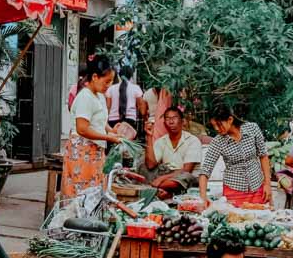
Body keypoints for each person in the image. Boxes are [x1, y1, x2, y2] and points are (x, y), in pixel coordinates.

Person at [63, 55, 130, 197]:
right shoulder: (85, 97)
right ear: (94, 77)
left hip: (95, 150)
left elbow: (98, 120)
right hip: (83, 151)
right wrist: (108, 137)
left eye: (111, 82)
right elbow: (82, 128)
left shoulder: (99, 95)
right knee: (82, 194)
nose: (109, 85)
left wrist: (111, 131)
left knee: (94, 192)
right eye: (106, 82)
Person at [198, 105, 272, 208]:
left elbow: (263, 156)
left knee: (260, 219)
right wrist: (203, 198)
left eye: (219, 125)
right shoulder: (218, 142)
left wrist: (267, 184)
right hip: (234, 192)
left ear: (230, 119)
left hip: (257, 187)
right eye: (214, 125)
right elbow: (205, 172)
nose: (216, 129)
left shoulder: (252, 129)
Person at [141, 106, 202, 198]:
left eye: (174, 118)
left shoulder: (193, 140)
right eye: (167, 119)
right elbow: (150, 165)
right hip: (167, 175)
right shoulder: (161, 141)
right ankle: (164, 191)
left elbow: (186, 170)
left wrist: (161, 179)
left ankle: (152, 188)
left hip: (184, 178)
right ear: (164, 123)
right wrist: (149, 136)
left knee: (183, 177)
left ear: (182, 121)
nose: (171, 122)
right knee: (143, 166)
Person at [106, 65, 146, 134]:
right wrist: (145, 116)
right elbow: (142, 108)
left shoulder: (111, 89)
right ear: (131, 75)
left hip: (113, 121)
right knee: (128, 144)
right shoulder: (135, 88)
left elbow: (108, 107)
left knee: (113, 142)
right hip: (130, 120)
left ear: (120, 75)